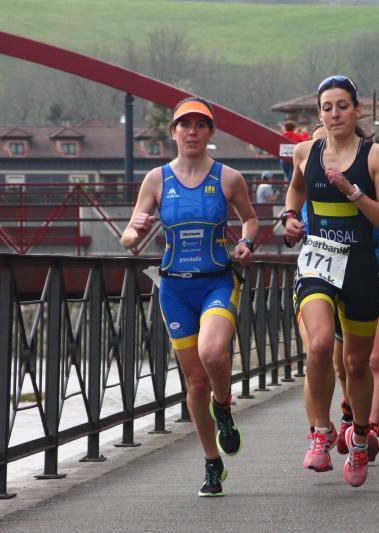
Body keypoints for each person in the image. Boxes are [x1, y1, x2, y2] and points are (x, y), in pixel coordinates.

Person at [120, 97, 258, 497]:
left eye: (200, 125)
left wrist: (247, 242)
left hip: (217, 280)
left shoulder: (228, 178)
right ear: (174, 132)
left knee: (213, 355)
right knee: (194, 382)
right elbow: (130, 235)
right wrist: (135, 231)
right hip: (175, 288)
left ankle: (224, 406)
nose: (192, 132)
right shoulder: (157, 180)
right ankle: (212, 464)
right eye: (185, 125)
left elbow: (250, 219)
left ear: (210, 133)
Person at [283, 74, 379, 488]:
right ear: (319, 113)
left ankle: (361, 438)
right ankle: (320, 432)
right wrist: (290, 219)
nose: (334, 114)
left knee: (356, 364)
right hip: (318, 261)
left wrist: (352, 192)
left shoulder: (377, 156)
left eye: (342, 106)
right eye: (327, 107)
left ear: (357, 110)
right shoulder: (305, 152)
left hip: (361, 265)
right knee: (317, 345)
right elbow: (294, 193)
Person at [299, 186, 379, 466]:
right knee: (339, 363)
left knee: (374, 360)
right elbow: (297, 210)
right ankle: (344, 416)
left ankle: (369, 431)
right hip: (329, 280)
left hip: (378, 280)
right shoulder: (315, 182)